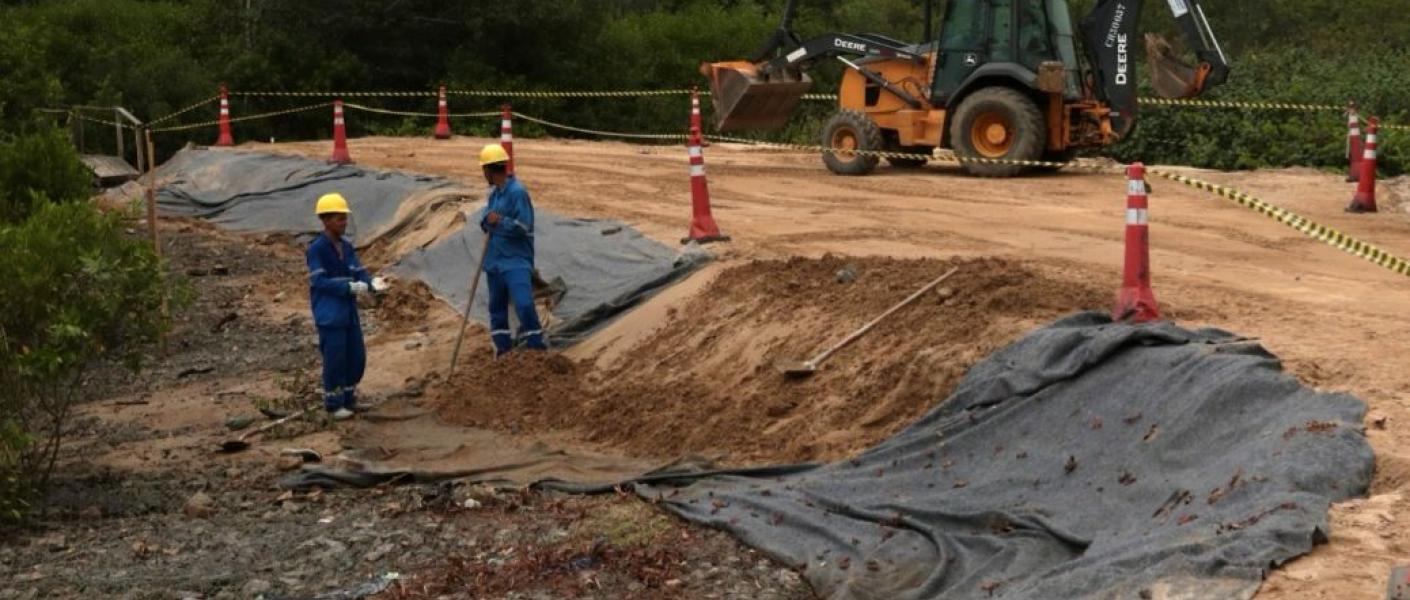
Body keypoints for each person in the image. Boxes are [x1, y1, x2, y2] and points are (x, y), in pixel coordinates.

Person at [306, 192, 388, 419]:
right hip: (330, 311)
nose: (344, 222)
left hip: (348, 311)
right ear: (326, 220)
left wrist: (371, 283)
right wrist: (347, 287)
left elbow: (358, 270)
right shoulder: (317, 249)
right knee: (335, 357)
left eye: (344, 218)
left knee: (355, 355)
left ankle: (349, 398)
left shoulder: (347, 247)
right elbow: (318, 281)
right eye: (339, 218)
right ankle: (334, 403)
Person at [478, 144, 547, 355]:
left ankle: (536, 349)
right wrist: (488, 220)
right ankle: (503, 352)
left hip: (515, 260)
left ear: (490, 170)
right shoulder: (495, 195)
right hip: (495, 262)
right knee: (497, 311)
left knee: (524, 304)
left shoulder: (517, 193)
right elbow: (484, 220)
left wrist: (500, 221)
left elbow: (525, 227)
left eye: (483, 170)